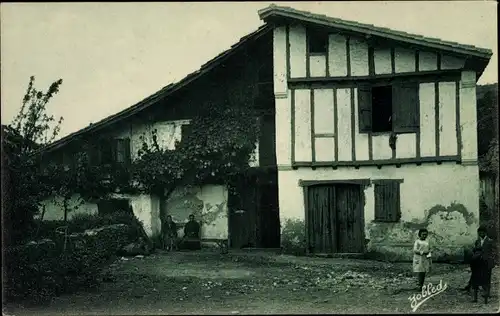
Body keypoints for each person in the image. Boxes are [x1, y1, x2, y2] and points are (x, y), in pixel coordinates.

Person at [468, 226, 495, 303]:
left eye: (482, 232)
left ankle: (486, 295)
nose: (480, 233)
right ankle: (475, 298)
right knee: (476, 279)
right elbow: (475, 251)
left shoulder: (490, 241)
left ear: (485, 232)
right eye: (479, 232)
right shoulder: (477, 241)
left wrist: (491, 261)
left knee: (486, 279)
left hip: (486, 263)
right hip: (478, 263)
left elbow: (493, 253)